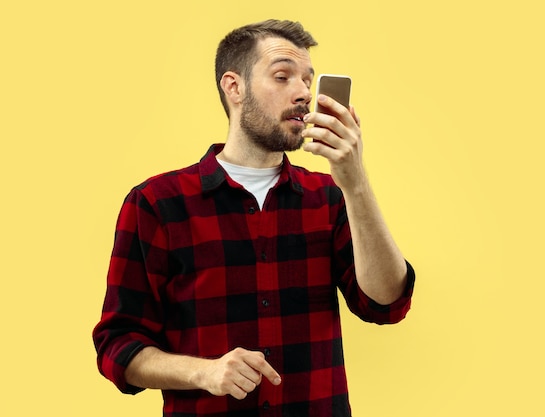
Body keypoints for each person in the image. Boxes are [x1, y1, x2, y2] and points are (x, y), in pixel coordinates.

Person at [93, 19, 415, 417]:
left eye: (307, 81)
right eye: (283, 77)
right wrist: (203, 372)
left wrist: (356, 183)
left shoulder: (330, 198)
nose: (303, 94)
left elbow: (386, 304)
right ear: (234, 87)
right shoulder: (157, 204)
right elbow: (117, 346)